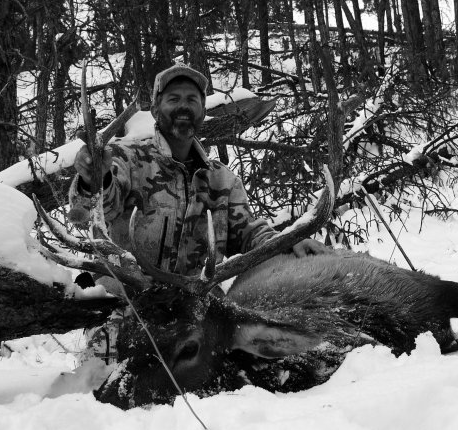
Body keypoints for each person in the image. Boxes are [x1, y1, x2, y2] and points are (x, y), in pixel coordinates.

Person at [70, 64, 328, 282]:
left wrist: (287, 243)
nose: (184, 106)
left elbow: (249, 235)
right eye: (173, 99)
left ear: (203, 112)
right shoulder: (125, 157)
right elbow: (90, 214)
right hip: (126, 306)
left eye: (192, 99)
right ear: (156, 110)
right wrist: (94, 178)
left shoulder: (221, 180)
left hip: (194, 309)